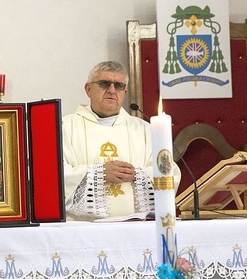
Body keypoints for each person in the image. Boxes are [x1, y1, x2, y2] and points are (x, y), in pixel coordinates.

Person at [62, 61, 181, 221]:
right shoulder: (64, 127)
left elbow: (169, 173)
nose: (112, 91)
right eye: (104, 84)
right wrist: (99, 174)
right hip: (83, 230)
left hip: (137, 228)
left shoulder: (145, 130)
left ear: (124, 92)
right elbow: (53, 177)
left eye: (118, 86)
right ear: (88, 89)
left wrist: (138, 175)